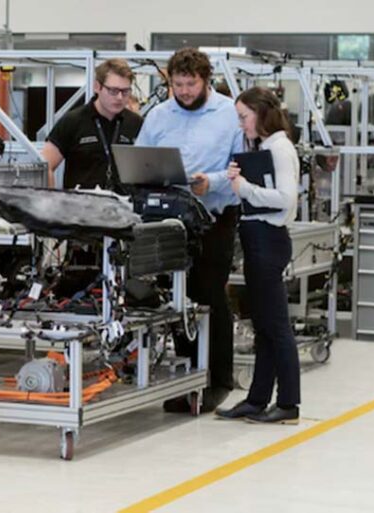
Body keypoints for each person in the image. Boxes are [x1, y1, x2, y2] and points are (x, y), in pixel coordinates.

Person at [135, 47, 243, 413]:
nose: (183, 91)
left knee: (209, 295)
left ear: (205, 80)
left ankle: (218, 380)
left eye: (190, 84)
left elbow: (241, 166)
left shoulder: (229, 114)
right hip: (170, 220)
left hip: (215, 217)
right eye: (177, 84)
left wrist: (209, 182)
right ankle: (187, 378)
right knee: (178, 300)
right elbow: (139, 158)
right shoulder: (159, 115)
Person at [216, 87, 301, 424]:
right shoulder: (264, 148)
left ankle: (289, 403)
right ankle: (257, 399)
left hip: (269, 239)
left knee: (277, 326)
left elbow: (285, 199)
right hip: (257, 237)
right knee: (264, 326)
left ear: (261, 113)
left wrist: (244, 189)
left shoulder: (280, 148)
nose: (241, 125)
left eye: (244, 117)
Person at [43, 58, 143, 191]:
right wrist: (52, 202)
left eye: (125, 91)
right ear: (97, 87)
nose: (119, 97)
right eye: (113, 91)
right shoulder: (73, 121)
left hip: (124, 205)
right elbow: (45, 165)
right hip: (81, 206)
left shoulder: (136, 123)